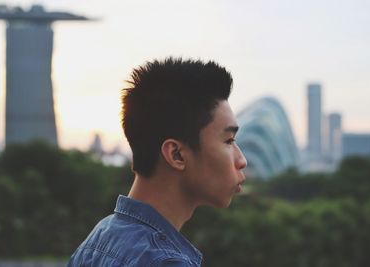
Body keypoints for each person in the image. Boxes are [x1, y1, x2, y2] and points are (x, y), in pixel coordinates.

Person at [67, 58, 247, 266]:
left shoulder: (97, 240)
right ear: (176, 155)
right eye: (229, 141)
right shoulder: (166, 261)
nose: (242, 160)